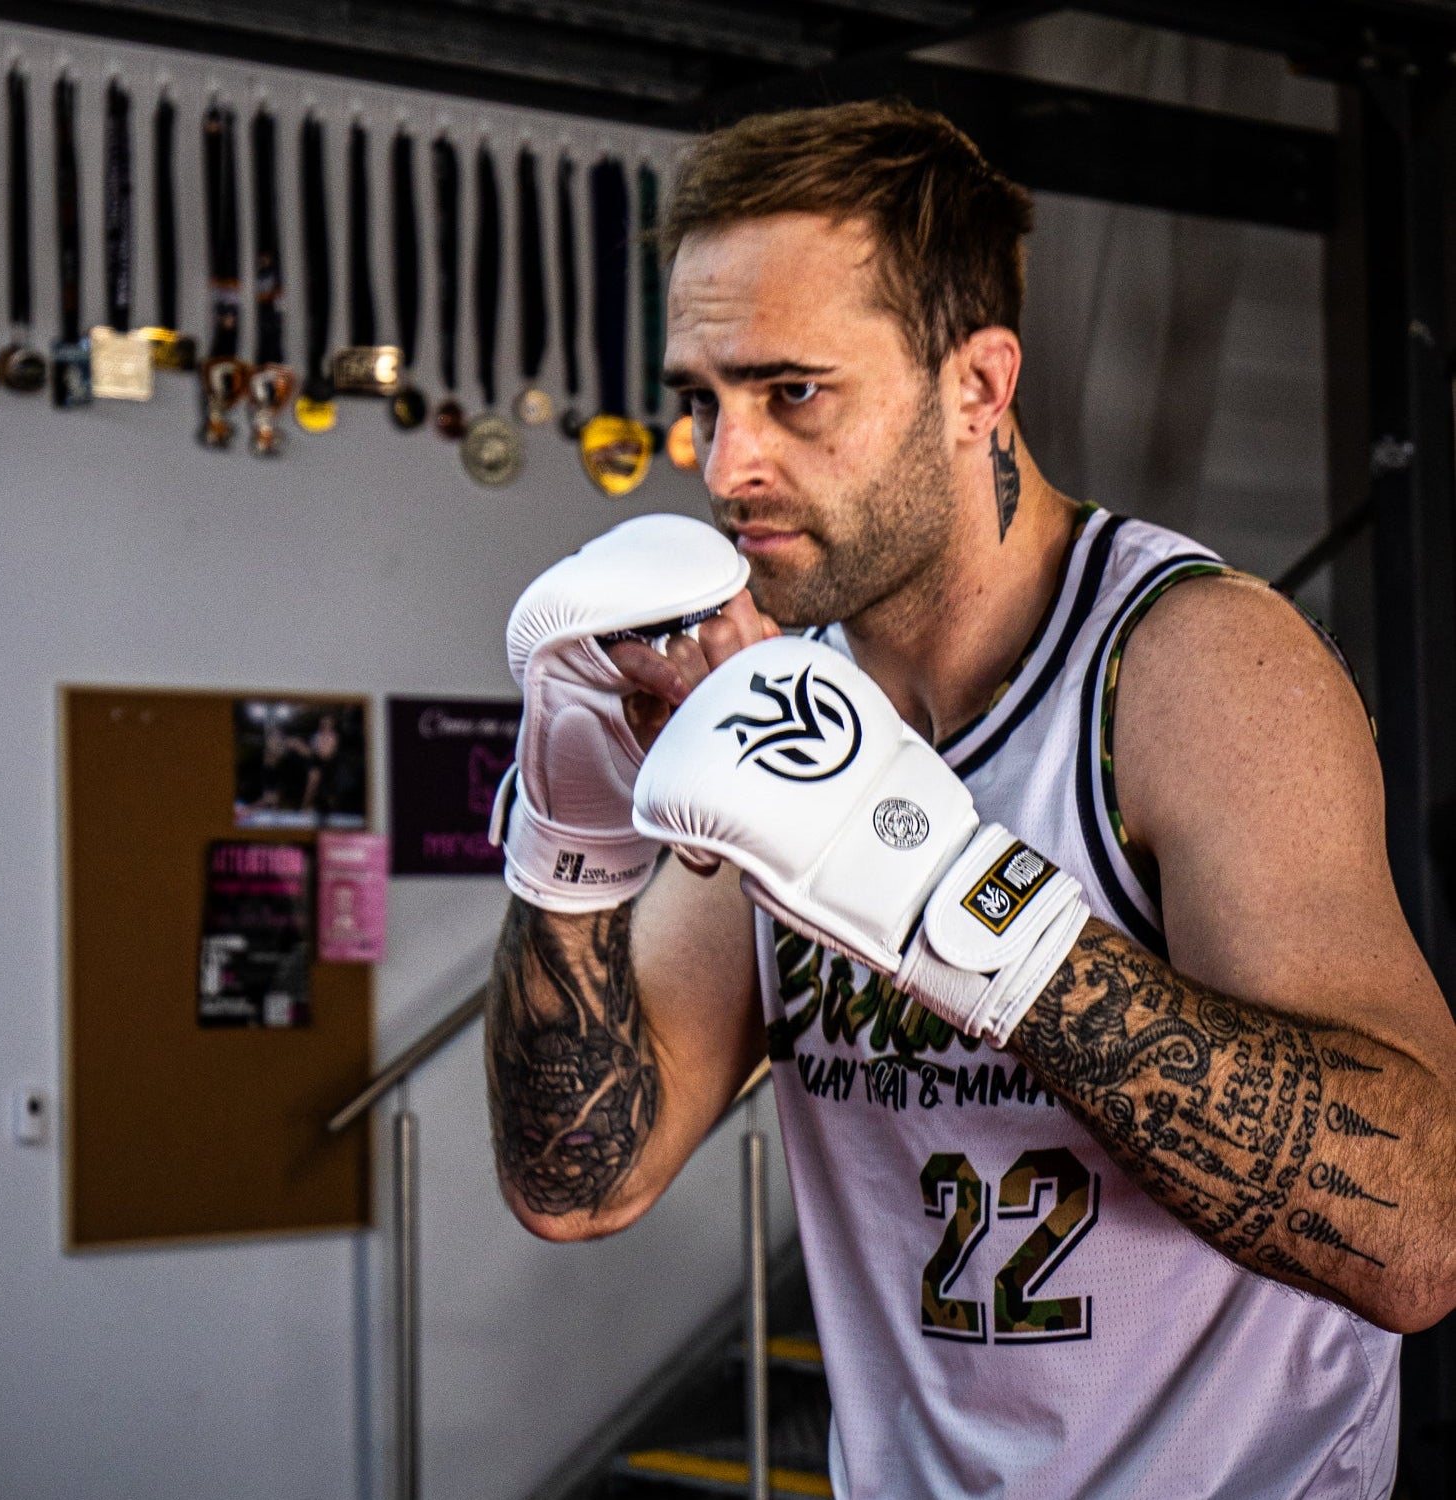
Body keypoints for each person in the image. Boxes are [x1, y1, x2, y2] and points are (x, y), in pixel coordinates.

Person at [485, 100, 1456, 1497]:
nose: (723, 464)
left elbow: (1416, 1239)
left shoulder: (1191, 669)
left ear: (977, 388)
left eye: (791, 392)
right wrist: (565, 853)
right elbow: (583, 1177)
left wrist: (955, 899)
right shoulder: (782, 702)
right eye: (701, 397)